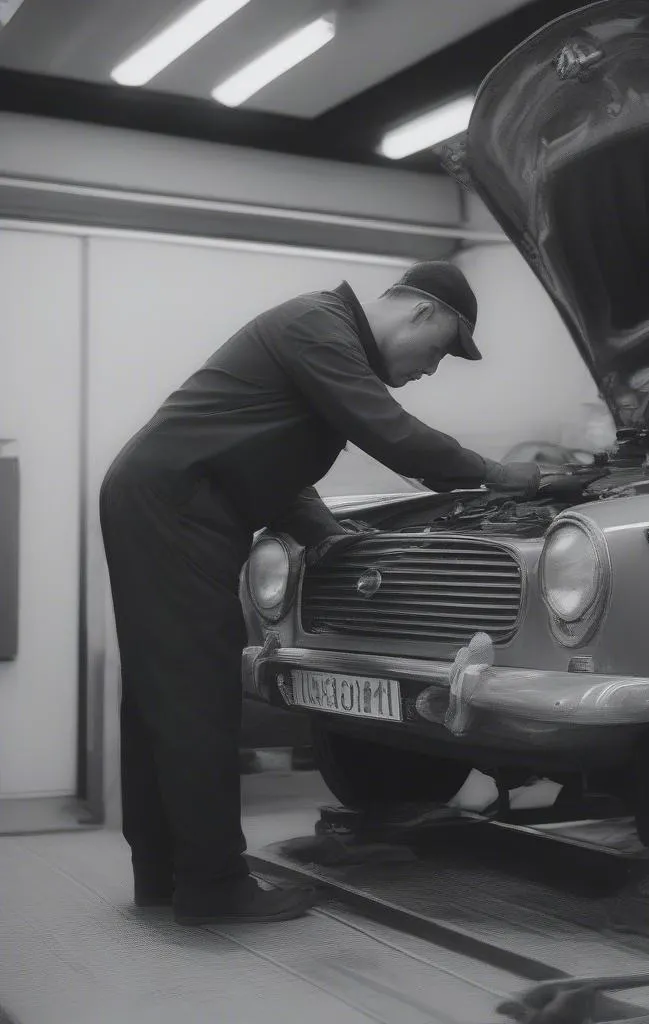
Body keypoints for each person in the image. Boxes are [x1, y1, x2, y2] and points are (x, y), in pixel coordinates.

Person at [98, 261, 540, 926]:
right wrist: (494, 473)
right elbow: (388, 431)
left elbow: (273, 470)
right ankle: (213, 884)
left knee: (162, 695)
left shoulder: (322, 341)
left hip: (166, 501)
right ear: (421, 313)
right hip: (175, 508)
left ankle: (163, 873)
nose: (432, 369)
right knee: (196, 694)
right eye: (442, 350)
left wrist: (326, 534)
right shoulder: (319, 326)